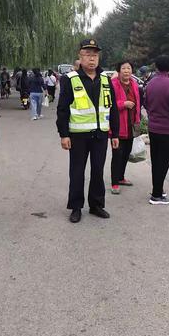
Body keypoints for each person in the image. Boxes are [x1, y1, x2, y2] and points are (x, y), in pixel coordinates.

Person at [56, 39, 119, 223]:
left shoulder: (106, 80)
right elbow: (62, 109)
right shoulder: (69, 79)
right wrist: (64, 134)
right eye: (88, 55)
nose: (92, 59)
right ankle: (76, 207)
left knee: (98, 171)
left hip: (100, 135)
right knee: (77, 171)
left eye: (95, 55)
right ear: (80, 57)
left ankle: (96, 205)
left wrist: (115, 133)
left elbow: (112, 108)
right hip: (78, 136)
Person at [145, 55, 169, 205]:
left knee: (156, 160)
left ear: (156, 67)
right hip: (168, 129)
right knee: (164, 161)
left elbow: (146, 104)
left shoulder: (151, 83)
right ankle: (156, 195)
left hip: (154, 127)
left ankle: (158, 189)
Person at [110, 60, 141, 194]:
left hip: (130, 125)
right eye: (124, 68)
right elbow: (108, 104)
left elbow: (138, 103)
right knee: (117, 155)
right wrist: (123, 104)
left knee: (126, 154)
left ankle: (121, 177)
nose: (127, 71)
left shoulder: (134, 84)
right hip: (117, 126)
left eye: (129, 68)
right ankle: (114, 183)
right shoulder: (113, 84)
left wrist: (138, 119)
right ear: (119, 71)